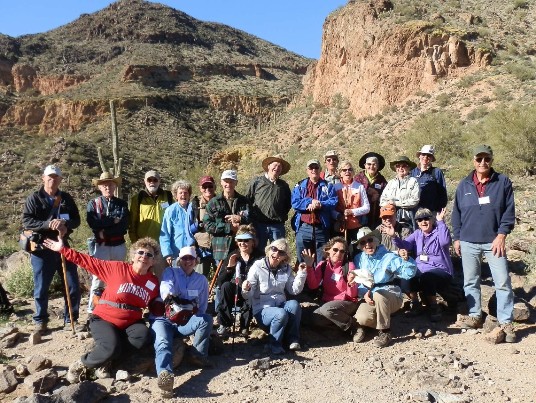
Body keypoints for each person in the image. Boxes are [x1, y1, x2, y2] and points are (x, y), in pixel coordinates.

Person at [42, 236, 161, 383]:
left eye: (149, 255)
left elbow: (155, 302)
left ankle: (107, 361)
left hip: (131, 321)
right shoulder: (117, 268)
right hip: (105, 318)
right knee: (111, 346)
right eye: (141, 252)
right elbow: (87, 261)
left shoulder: (153, 282)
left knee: (142, 337)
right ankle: (82, 364)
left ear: (154, 260)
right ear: (133, 255)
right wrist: (63, 250)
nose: (144, 257)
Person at [452, 145, 516, 343]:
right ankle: (475, 316)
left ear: (491, 160)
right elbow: (456, 214)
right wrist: (457, 238)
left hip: (493, 242)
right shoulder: (464, 185)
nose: (482, 163)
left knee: (502, 281)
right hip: (468, 241)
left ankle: (506, 322)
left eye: (486, 159)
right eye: (479, 159)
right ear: (473, 161)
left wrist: (502, 234)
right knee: (471, 281)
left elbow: (509, 211)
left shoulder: (502, 182)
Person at [22, 165, 81, 333]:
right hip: (42, 247)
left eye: (56, 177)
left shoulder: (66, 198)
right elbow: (27, 221)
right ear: (43, 178)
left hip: (62, 245)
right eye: (49, 176)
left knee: (72, 284)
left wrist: (65, 224)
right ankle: (41, 320)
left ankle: (71, 318)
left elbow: (76, 219)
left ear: (60, 179)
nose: (52, 179)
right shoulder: (34, 198)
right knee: (41, 286)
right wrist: (48, 224)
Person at [151, 246, 212, 398]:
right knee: (163, 342)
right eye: (184, 258)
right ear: (179, 260)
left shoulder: (201, 280)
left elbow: (203, 305)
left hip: (185, 322)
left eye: (191, 258)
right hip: (164, 320)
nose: (187, 261)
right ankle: (165, 376)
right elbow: (166, 286)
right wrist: (169, 295)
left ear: (196, 260)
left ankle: (198, 355)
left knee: (206, 319)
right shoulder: (170, 272)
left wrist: (198, 321)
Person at [353, 227, 417, 348]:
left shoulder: (389, 257)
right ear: (359, 246)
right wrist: (364, 294)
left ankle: (385, 331)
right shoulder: (359, 259)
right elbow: (359, 281)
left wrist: (407, 259)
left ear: (376, 240)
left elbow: (408, 273)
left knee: (379, 294)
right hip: (370, 295)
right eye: (363, 242)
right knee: (361, 318)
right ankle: (379, 321)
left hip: (390, 294)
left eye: (370, 240)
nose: (367, 244)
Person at [386, 208, 453, 322]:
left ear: (432, 220)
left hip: (440, 270)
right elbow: (404, 245)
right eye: (420, 220)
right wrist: (394, 237)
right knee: (405, 274)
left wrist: (441, 221)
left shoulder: (439, 231)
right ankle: (415, 303)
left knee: (428, 276)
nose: (423, 222)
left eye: (426, 218)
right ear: (417, 223)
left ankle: (433, 306)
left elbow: (445, 242)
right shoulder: (417, 234)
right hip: (420, 269)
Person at [86, 172, 129, 314]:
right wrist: (111, 221)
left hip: (118, 246)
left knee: (119, 277)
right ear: (99, 187)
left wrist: (103, 229)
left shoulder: (122, 204)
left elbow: (123, 226)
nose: (107, 187)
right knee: (98, 278)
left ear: (115, 186)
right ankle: (93, 310)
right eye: (104, 185)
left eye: (110, 184)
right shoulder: (93, 204)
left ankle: (115, 307)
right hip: (101, 246)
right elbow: (93, 223)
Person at [304, 237, 360, 339]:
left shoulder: (349, 266)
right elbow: (313, 285)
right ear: (328, 250)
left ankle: (354, 326)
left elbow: (352, 295)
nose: (338, 253)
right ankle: (340, 331)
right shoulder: (323, 265)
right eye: (335, 249)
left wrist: (351, 283)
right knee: (315, 317)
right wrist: (309, 267)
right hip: (328, 302)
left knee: (327, 309)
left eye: (342, 251)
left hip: (347, 302)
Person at [215, 224, 264, 337]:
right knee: (225, 287)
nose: (242, 243)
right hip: (235, 288)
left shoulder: (260, 256)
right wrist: (229, 268)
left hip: (252, 289)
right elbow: (220, 281)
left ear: (253, 241)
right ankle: (225, 324)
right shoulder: (233, 255)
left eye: (246, 240)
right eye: (240, 240)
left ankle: (244, 326)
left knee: (250, 293)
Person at [291, 159, 338, 264]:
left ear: (320, 169)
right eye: (311, 168)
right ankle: (304, 280)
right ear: (307, 170)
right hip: (304, 228)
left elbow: (334, 201)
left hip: (321, 228)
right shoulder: (299, 186)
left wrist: (320, 204)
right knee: (302, 260)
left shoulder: (328, 185)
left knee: (321, 261)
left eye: (316, 167)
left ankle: (319, 280)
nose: (313, 170)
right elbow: (295, 202)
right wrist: (310, 202)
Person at [203, 169, 250, 262]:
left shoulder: (244, 201)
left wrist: (241, 219)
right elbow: (207, 225)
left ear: (236, 183)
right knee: (222, 275)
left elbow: (252, 220)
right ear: (221, 182)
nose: (228, 184)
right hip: (220, 247)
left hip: (242, 247)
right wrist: (229, 227)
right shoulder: (213, 202)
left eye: (231, 182)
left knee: (240, 275)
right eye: (226, 181)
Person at [247, 156, 292, 250]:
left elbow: (288, 204)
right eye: (275, 165)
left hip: (277, 225)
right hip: (258, 225)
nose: (277, 168)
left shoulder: (284, 185)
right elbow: (248, 200)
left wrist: (279, 214)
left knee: (278, 252)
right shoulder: (257, 182)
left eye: (280, 166)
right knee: (258, 251)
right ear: (268, 166)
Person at [128, 170, 173, 243]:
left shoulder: (169, 196)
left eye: (155, 180)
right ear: (144, 181)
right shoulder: (137, 199)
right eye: (149, 180)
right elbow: (132, 224)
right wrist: (135, 243)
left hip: (165, 244)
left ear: (159, 181)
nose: (152, 182)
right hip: (145, 244)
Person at [159, 180, 196, 267]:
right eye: (180, 193)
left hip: (192, 252)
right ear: (176, 196)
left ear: (189, 195)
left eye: (186, 192)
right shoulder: (171, 210)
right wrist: (167, 253)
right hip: (176, 253)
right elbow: (165, 233)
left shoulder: (194, 209)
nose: (183, 195)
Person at [332, 160, 370, 244]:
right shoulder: (335, 187)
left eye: (350, 170)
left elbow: (367, 208)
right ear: (340, 173)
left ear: (353, 172)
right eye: (344, 170)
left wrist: (352, 211)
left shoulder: (359, 187)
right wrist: (338, 216)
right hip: (341, 226)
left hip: (357, 226)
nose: (347, 172)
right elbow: (331, 209)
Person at [380, 156, 420, 230]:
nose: (400, 168)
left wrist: (395, 203)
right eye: (398, 166)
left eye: (404, 166)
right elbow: (382, 200)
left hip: (408, 219)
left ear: (409, 168)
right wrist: (389, 205)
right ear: (395, 168)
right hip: (390, 218)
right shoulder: (391, 183)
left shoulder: (413, 181)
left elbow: (415, 200)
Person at [191, 175, 217, 276]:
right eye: (204, 187)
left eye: (210, 186)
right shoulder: (195, 204)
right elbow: (188, 227)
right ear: (200, 188)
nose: (207, 189)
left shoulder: (221, 202)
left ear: (215, 187)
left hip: (218, 247)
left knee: (220, 280)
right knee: (198, 279)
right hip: (201, 249)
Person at [354, 152, 387, 229]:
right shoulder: (357, 178)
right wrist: (367, 190)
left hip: (375, 216)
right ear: (365, 165)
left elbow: (386, 196)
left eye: (374, 164)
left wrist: (377, 196)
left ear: (378, 166)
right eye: (369, 164)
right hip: (359, 216)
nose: (371, 167)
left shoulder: (382, 180)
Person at [411, 145, 448, 213]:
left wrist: (439, 212)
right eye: (423, 154)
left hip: (432, 212)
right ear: (419, 156)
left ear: (431, 158)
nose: (425, 157)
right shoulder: (412, 172)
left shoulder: (436, 172)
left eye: (428, 155)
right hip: (414, 212)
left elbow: (442, 194)